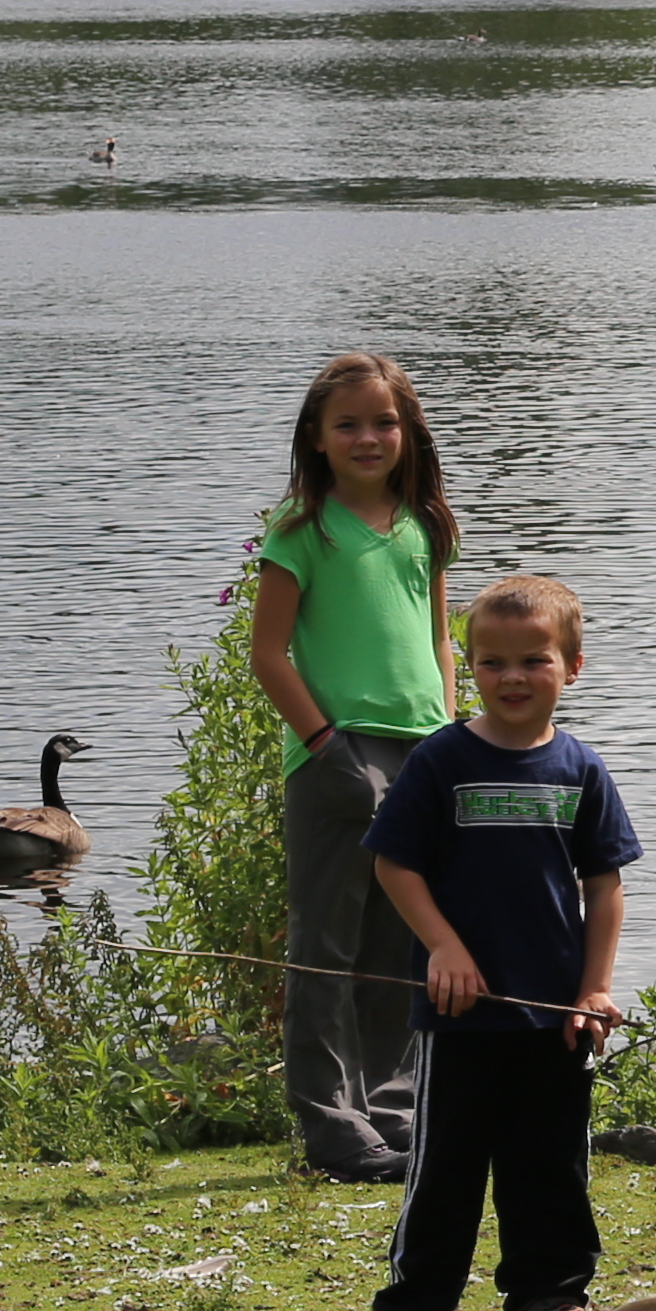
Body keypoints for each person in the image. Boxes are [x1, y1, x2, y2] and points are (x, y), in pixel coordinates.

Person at [354, 573, 641, 1311]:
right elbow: (395, 868)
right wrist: (443, 947)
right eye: (492, 662)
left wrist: (594, 988)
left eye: (534, 660)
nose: (512, 677)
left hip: (555, 1020)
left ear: (572, 667)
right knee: (444, 1169)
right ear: (468, 665)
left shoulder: (581, 770)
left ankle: (547, 1303)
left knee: (550, 1166)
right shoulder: (442, 760)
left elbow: (605, 889)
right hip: (459, 1020)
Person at [251, 353, 459, 1184]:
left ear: (408, 432)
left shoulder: (424, 524)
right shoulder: (302, 530)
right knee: (326, 946)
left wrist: (449, 737)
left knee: (399, 944)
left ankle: (392, 1109)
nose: (368, 437)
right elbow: (269, 655)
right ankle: (333, 1125)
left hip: (422, 751)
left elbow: (441, 640)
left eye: (384, 422)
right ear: (317, 437)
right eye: (348, 424)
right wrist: (326, 746)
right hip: (336, 755)